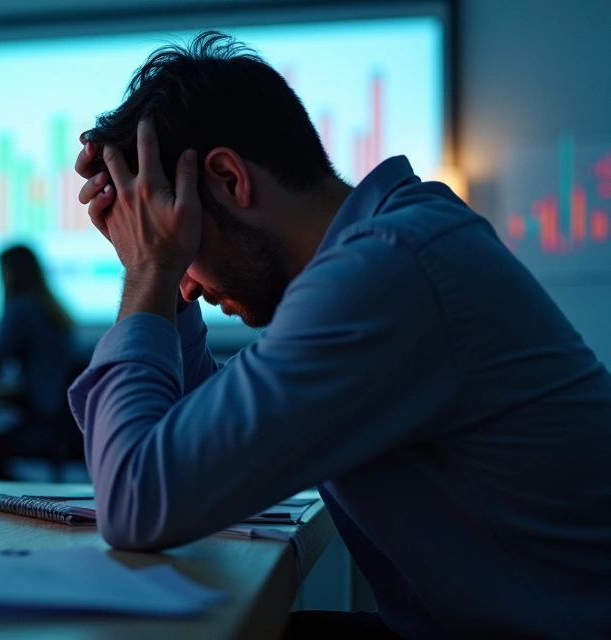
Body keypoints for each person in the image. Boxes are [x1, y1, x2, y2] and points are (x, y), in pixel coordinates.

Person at [70, 31, 611, 638]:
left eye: (176, 230)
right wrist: (163, 284)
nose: (189, 285)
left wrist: (149, 270)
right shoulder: (388, 244)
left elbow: (136, 499)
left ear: (228, 179)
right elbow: (204, 447)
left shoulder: (387, 270)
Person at [0, 245, 76, 480]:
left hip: (44, 423)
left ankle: (18, 503)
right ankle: (22, 500)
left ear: (11, 273)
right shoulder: (50, 310)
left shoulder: (22, 310)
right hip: (66, 424)